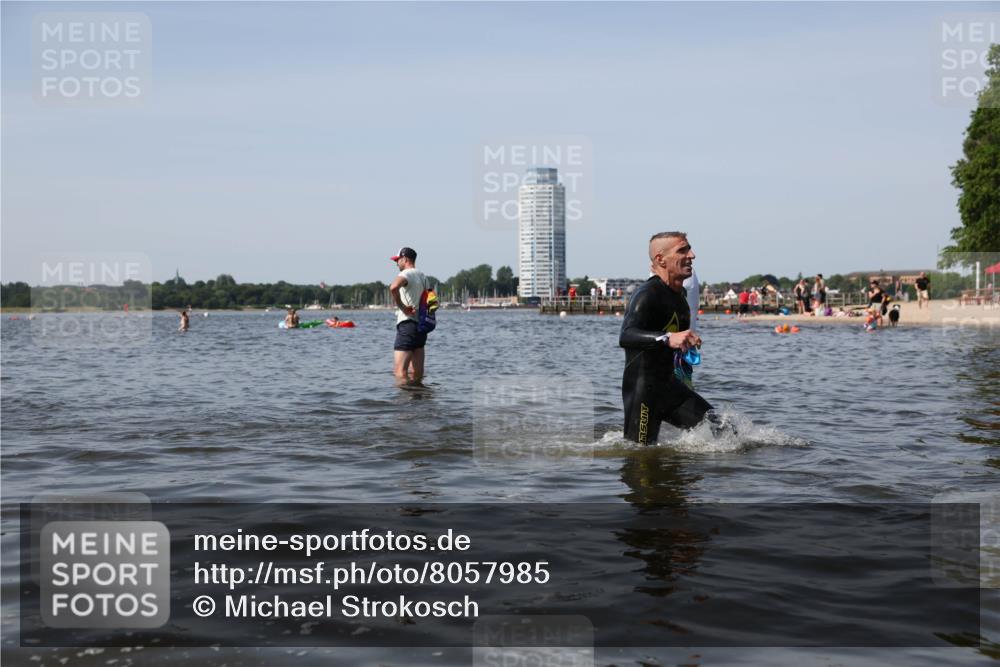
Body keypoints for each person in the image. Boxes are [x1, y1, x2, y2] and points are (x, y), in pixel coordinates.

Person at [620, 232, 718, 445]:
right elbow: (626, 335)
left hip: (671, 388)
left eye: (689, 249)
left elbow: (673, 339)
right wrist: (667, 338)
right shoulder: (647, 294)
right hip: (643, 394)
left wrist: (685, 342)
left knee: (724, 432)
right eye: (682, 250)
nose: (692, 255)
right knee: (640, 459)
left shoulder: (680, 297)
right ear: (660, 259)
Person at [388, 246, 428, 384]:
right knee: (417, 372)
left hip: (407, 324)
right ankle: (418, 402)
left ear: (405, 259)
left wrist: (403, 308)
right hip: (421, 326)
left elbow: (393, 287)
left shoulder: (406, 274)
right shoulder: (423, 276)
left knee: (400, 372)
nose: (396, 263)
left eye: (397, 260)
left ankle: (403, 404)